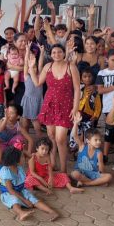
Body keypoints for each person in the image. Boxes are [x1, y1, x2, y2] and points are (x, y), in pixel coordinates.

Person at [28, 44, 81, 173]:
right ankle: (52, 164)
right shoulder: (48, 66)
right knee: (51, 136)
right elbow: (37, 83)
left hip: (66, 105)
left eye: (59, 52)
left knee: (60, 139)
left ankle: (63, 170)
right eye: (54, 52)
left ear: (64, 53)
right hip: (50, 104)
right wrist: (31, 68)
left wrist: (75, 107)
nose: (56, 54)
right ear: (51, 55)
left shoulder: (71, 67)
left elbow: (77, 89)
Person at [0, 145, 59, 222]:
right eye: (22, 157)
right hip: (9, 193)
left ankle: (52, 212)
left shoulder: (19, 168)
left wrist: (27, 198)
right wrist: (24, 200)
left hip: (21, 190)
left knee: (33, 199)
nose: (24, 158)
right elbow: (11, 190)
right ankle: (21, 213)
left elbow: (30, 156)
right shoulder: (6, 171)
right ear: (15, 160)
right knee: (14, 200)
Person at [70, 112, 112, 188]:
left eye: (99, 140)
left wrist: (100, 167)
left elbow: (101, 171)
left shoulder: (99, 153)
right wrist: (75, 123)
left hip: (93, 174)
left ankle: (86, 183)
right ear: (88, 141)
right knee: (74, 174)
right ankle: (96, 183)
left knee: (108, 177)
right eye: (96, 140)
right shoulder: (82, 146)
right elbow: (74, 135)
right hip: (80, 172)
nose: (99, 142)